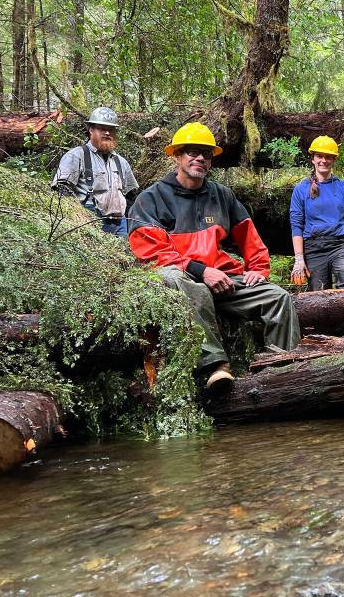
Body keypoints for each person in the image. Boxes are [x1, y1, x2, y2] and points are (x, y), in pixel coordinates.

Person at [128, 122, 300, 394]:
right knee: (178, 281)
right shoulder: (151, 199)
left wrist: (258, 268)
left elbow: (248, 235)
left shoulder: (222, 195)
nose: (199, 158)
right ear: (177, 156)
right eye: (192, 152)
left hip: (221, 276)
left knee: (278, 298)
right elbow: (150, 253)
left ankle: (283, 368)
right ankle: (216, 366)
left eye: (206, 154)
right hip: (181, 280)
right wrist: (200, 270)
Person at [289, 135, 344, 291]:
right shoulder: (301, 189)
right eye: (319, 156)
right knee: (319, 292)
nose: (323, 160)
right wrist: (299, 259)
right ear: (313, 159)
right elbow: (296, 225)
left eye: (328, 157)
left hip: (341, 244)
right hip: (314, 247)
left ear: (333, 159)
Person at [50, 106, 139, 238]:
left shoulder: (121, 162)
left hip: (120, 223)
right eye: (102, 128)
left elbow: (131, 197)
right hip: (89, 221)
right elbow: (62, 192)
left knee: (124, 257)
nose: (107, 133)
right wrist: (75, 218)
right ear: (91, 130)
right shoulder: (76, 156)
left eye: (111, 130)